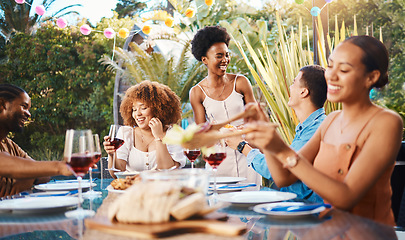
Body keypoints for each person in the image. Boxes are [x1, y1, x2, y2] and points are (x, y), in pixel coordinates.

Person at [244, 36, 403, 225]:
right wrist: (268, 142)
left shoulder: (386, 123)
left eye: (343, 69)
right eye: (330, 66)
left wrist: (281, 148)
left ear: (371, 77)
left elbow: (346, 197)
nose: (331, 76)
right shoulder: (331, 121)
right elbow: (284, 178)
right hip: (324, 231)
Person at [227, 65, 327, 203]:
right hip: (292, 205)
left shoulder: (316, 129)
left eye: (293, 83)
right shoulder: (306, 127)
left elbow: (280, 172)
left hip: (302, 209)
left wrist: (241, 146)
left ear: (304, 92)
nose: (290, 88)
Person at [189, 25, 260, 184]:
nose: (225, 60)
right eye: (219, 56)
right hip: (219, 161)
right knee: (221, 205)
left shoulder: (241, 82)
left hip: (247, 155)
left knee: (251, 202)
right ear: (205, 59)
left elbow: (257, 120)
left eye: (227, 55)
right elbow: (202, 137)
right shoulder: (197, 92)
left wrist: (242, 129)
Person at [0, 84, 72, 197]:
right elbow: (5, 163)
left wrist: (29, 174)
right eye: (24, 106)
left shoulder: (9, 144)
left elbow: (41, 173)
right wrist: (62, 166)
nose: (28, 114)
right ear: (1, 104)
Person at [103, 81, 186, 178]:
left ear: (158, 109)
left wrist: (159, 137)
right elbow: (117, 174)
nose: (137, 114)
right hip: (132, 190)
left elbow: (168, 172)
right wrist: (112, 155)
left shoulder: (172, 134)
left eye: (143, 108)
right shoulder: (126, 133)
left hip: (163, 190)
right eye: (134, 109)